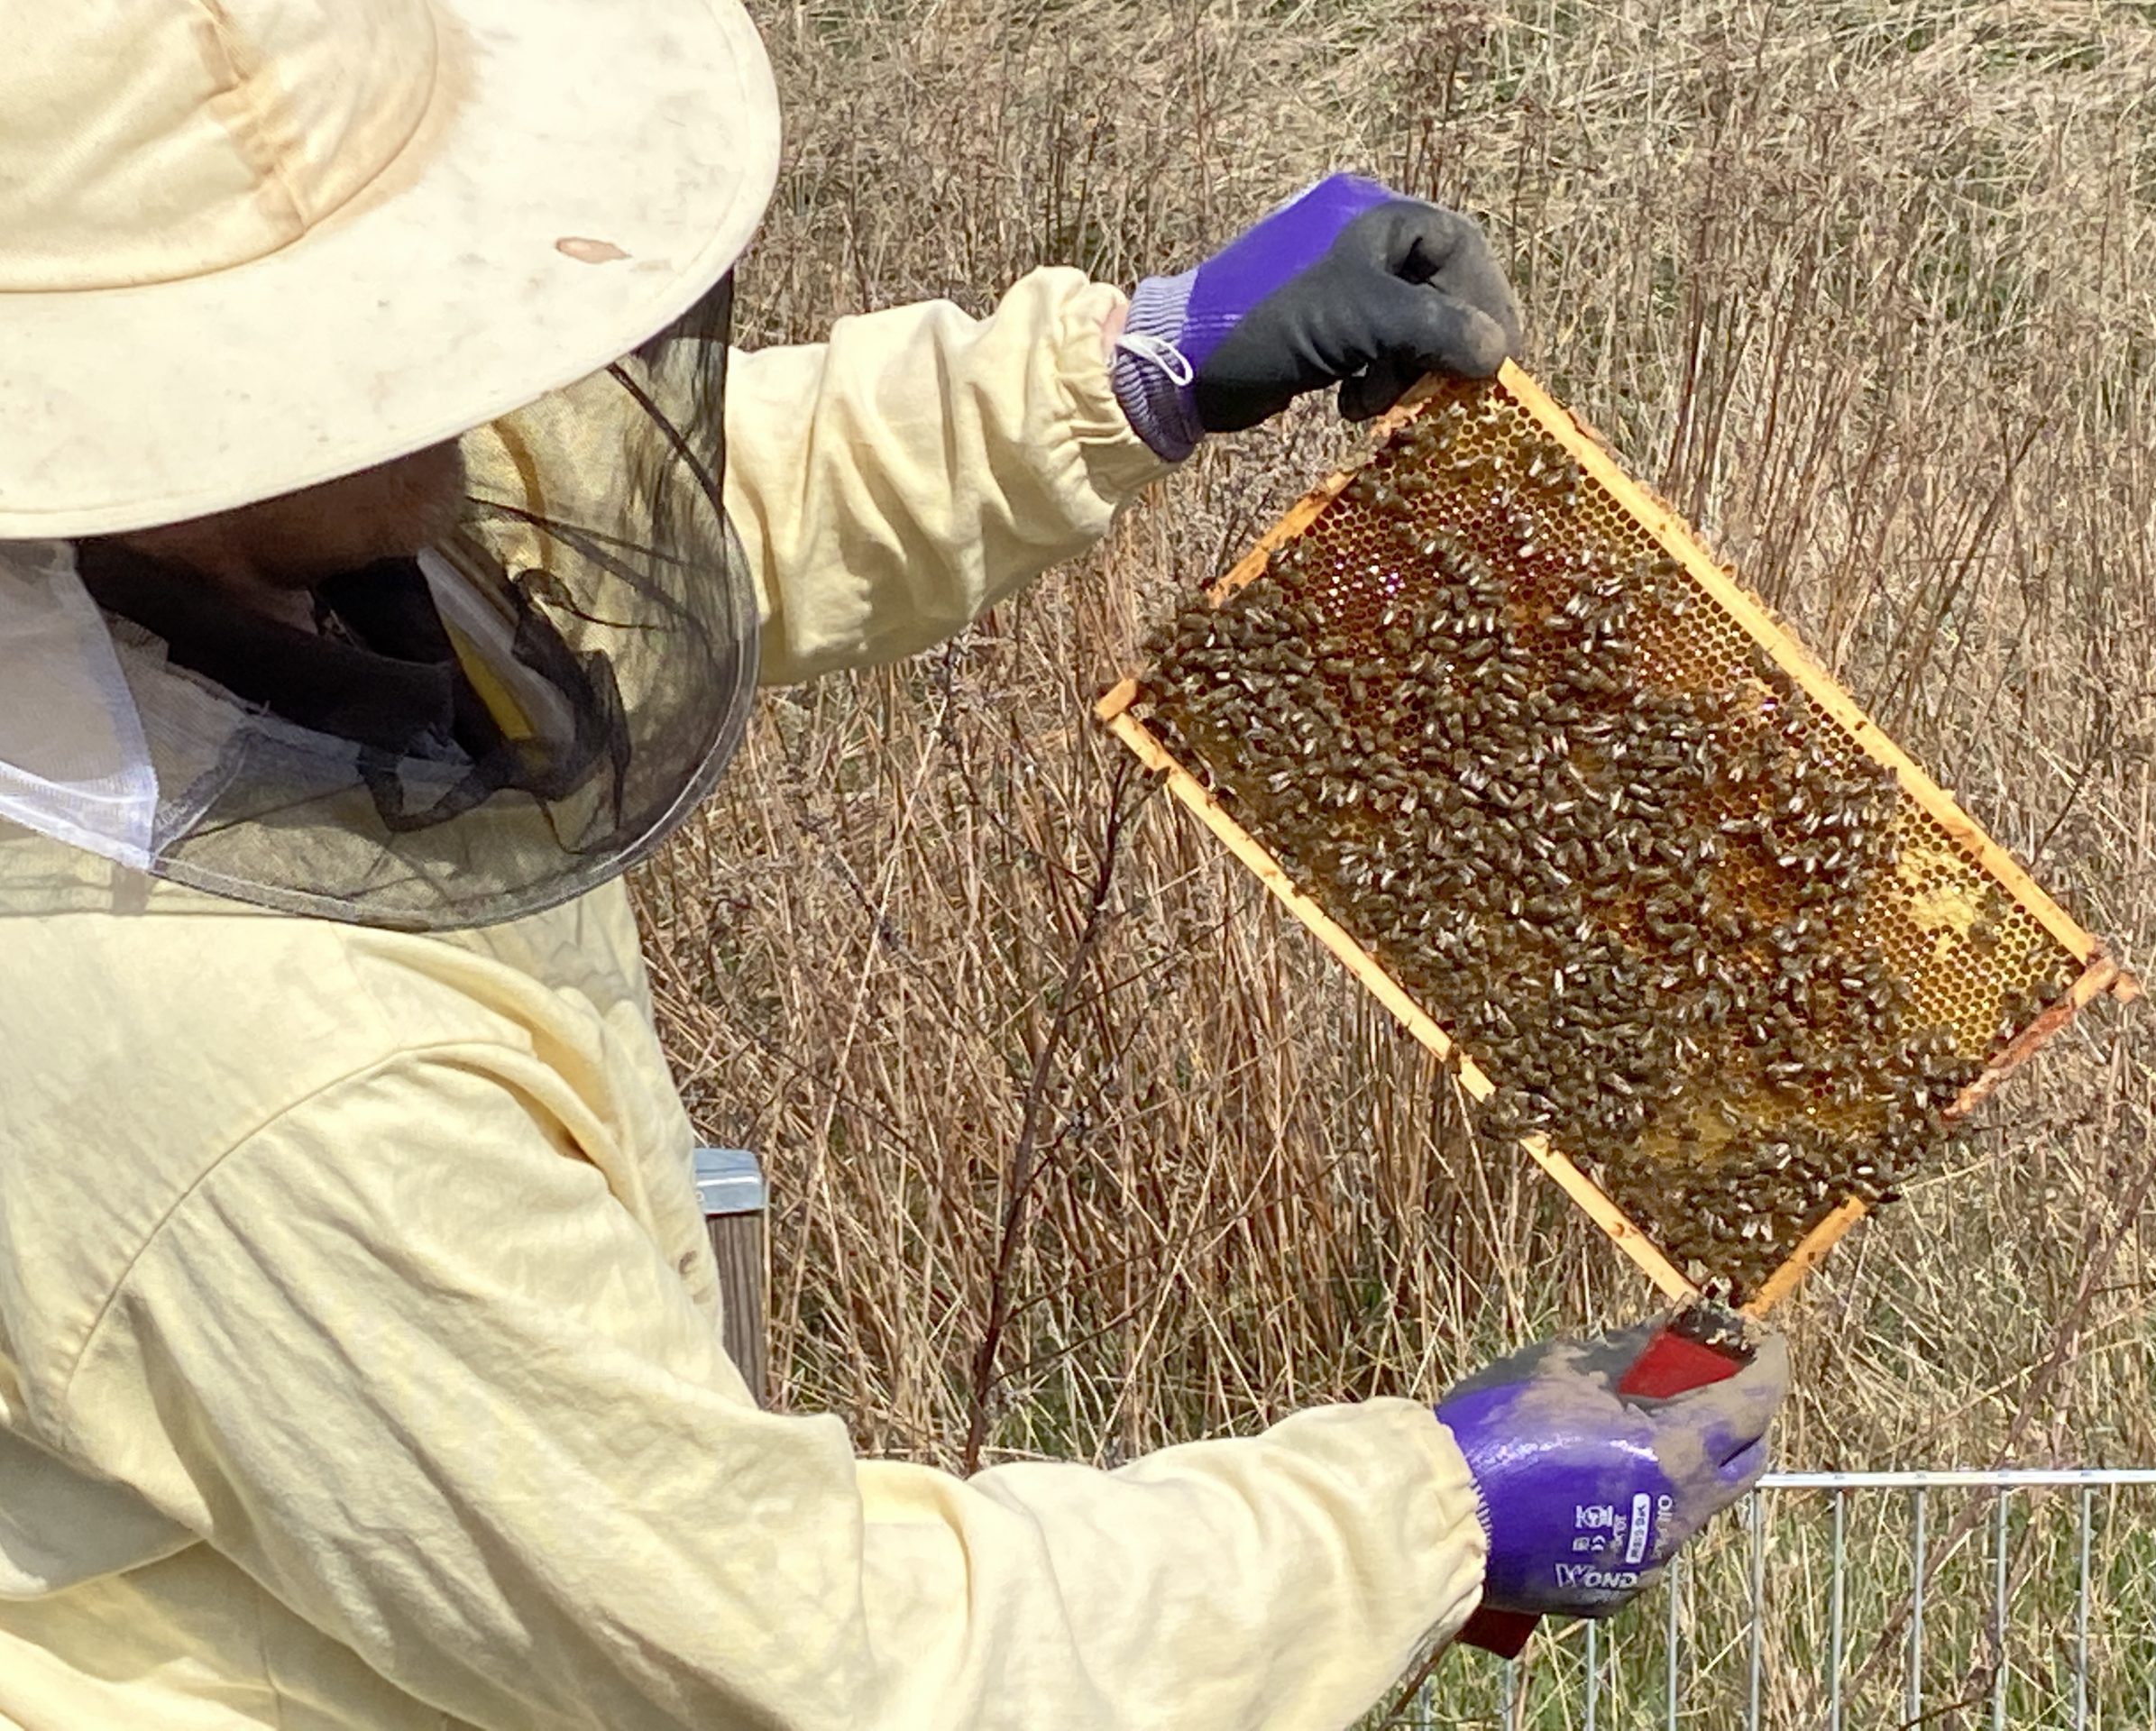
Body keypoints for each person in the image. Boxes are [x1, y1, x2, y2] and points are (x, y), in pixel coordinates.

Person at [0, 3, 1787, 1727]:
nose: (456, 372)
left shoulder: (190, 521)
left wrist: (1124, 371)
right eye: (355, 324)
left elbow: (595, 518)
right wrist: (1417, 1521)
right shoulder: (231, 1055)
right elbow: (793, 1652)